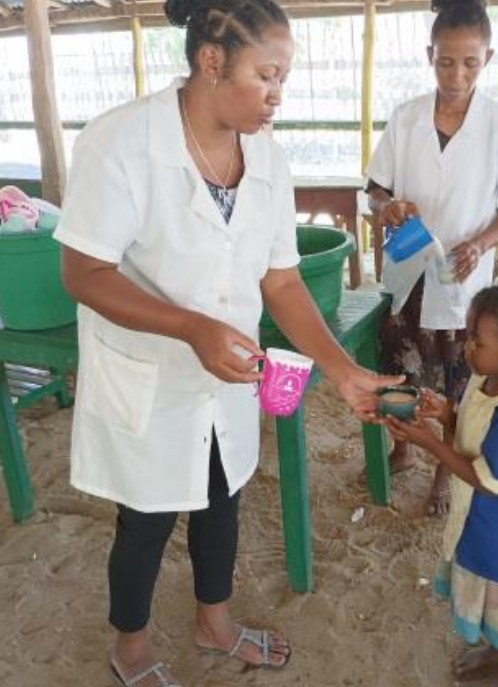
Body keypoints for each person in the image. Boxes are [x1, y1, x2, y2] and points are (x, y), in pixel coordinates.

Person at [54, 1, 402, 686]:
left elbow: (282, 281)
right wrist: (189, 326)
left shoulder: (267, 157)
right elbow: (83, 271)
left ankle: (213, 622)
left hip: (227, 377)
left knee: (223, 494)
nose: (278, 94)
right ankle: (130, 648)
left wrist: (343, 369)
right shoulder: (121, 142)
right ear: (211, 62)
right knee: (146, 515)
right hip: (150, 373)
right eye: (266, 75)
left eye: (284, 78)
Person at [367, 0, 498, 515]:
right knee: (402, 367)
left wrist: (482, 243)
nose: (457, 74)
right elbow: (375, 189)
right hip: (408, 272)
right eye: (446, 62)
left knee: (458, 378)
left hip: (464, 279)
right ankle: (402, 446)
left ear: (488, 57)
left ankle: (445, 474)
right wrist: (388, 207)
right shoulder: (406, 118)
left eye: (470, 62)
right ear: (430, 55)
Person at [387, 285, 498, 682]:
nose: (467, 347)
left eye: (477, 341)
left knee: (493, 596)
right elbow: (471, 433)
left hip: (491, 531)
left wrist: (430, 442)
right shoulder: (482, 379)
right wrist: (448, 417)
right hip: (475, 519)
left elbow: (487, 481)